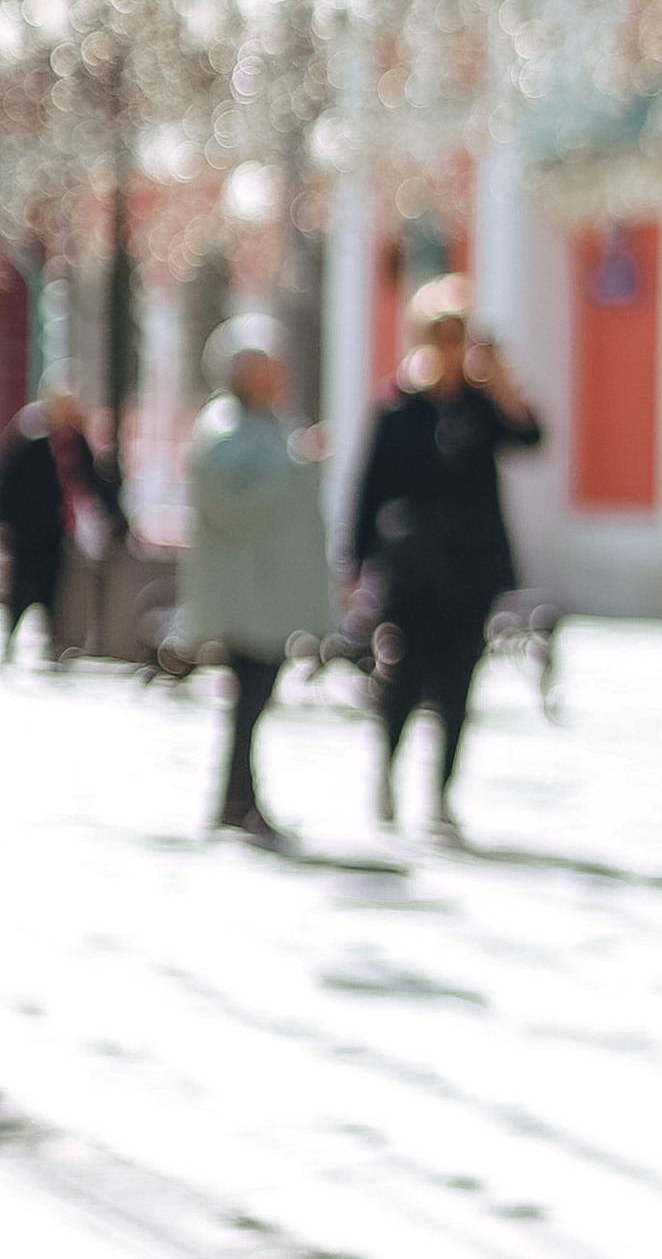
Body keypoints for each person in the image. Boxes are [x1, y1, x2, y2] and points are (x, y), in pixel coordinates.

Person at [350, 277, 544, 843]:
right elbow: (368, 489)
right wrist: (354, 564)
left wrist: (502, 378)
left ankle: (441, 796)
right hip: (410, 570)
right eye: (443, 334)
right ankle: (387, 768)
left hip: (471, 568)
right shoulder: (397, 407)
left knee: (459, 685)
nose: (452, 347)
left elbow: (531, 437)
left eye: (461, 335)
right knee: (403, 678)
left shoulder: (483, 408)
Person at [185, 317, 337, 843]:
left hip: (272, 593)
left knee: (255, 702)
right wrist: (294, 465)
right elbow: (233, 503)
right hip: (245, 595)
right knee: (247, 701)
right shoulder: (224, 429)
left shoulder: (274, 424)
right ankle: (237, 798)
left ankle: (240, 797)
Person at [0, 382, 119, 665]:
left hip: (57, 529)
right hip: (28, 529)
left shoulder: (75, 440)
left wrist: (115, 513)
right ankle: (12, 640)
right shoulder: (32, 437)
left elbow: (92, 479)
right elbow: (9, 482)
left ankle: (54, 643)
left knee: (53, 586)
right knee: (23, 585)